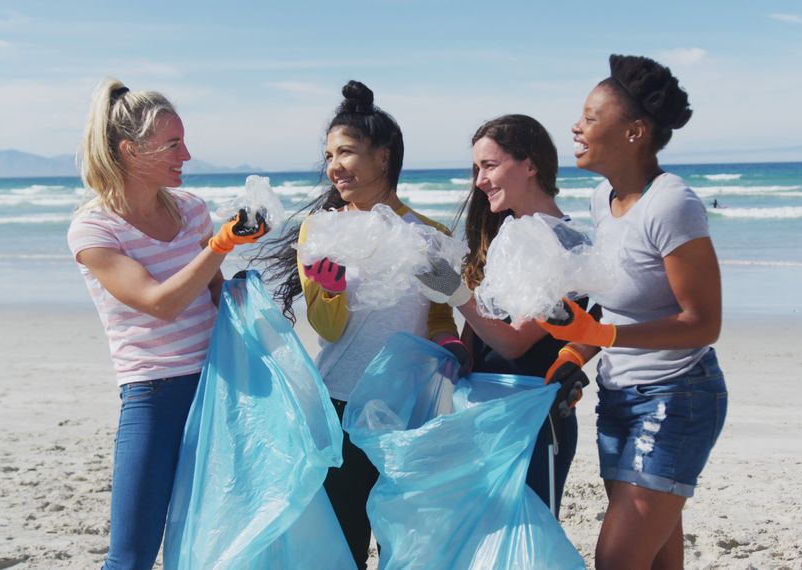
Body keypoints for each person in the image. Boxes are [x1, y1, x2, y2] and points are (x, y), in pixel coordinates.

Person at [256, 80, 465, 569]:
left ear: (384, 158)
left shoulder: (429, 236)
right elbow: (327, 328)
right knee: (343, 543)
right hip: (340, 403)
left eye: (346, 152)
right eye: (329, 154)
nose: (334, 166)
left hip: (408, 408)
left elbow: (439, 313)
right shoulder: (318, 230)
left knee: (405, 542)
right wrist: (328, 290)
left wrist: (454, 345)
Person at [537, 55, 728, 569]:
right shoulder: (605, 197)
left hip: (677, 397)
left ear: (634, 132)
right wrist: (579, 349)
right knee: (658, 554)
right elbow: (617, 299)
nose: (576, 127)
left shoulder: (671, 204)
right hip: (618, 396)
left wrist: (601, 333)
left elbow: (703, 323)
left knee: (617, 559)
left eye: (591, 117)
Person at [67, 79, 265, 570]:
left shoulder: (192, 209)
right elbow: (160, 303)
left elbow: (215, 294)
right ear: (132, 151)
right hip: (153, 396)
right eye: (173, 144)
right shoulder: (93, 230)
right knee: (131, 555)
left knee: (216, 540)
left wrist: (261, 294)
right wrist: (220, 245)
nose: (187, 154)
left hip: (217, 389)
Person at [414, 114, 587, 518]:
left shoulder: (569, 245)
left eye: (489, 166)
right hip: (480, 411)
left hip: (533, 418)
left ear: (530, 165)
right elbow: (480, 339)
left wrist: (455, 293)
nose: (479, 181)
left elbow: (513, 341)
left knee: (525, 544)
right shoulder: (503, 239)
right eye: (477, 169)